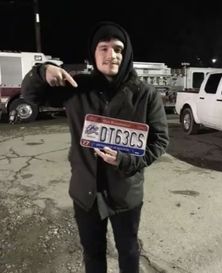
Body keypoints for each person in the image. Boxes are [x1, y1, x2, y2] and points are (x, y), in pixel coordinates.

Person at [21, 21, 169, 273]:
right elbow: (31, 96)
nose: (111, 55)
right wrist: (41, 71)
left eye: (118, 49)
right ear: (94, 53)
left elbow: (160, 141)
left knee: (129, 252)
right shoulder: (77, 88)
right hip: (85, 194)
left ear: (126, 54)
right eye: (104, 48)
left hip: (126, 195)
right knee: (92, 254)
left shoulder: (146, 94)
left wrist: (125, 160)